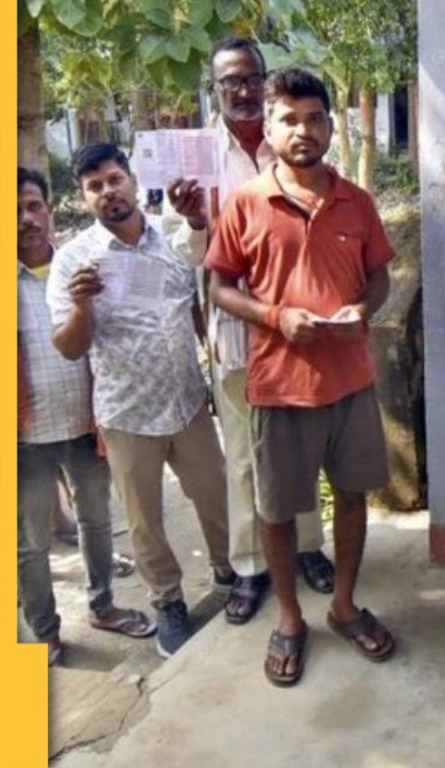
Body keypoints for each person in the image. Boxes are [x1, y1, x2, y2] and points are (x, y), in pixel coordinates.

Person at [205, 68, 397, 686]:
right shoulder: (245, 202)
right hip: (278, 385)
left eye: (315, 118)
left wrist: (361, 310)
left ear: (331, 127)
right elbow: (219, 287)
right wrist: (274, 317)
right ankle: (288, 616)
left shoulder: (357, 202)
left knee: (351, 496)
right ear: (271, 125)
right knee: (279, 511)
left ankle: (343, 604)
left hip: (351, 382)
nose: (303, 130)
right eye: (289, 119)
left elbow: (379, 277)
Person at [166, 36, 335, 625]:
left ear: (266, 81)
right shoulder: (195, 157)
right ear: (213, 90)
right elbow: (181, 254)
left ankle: (310, 548)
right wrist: (193, 222)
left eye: (250, 78)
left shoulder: (291, 137)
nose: (241, 90)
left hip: (298, 330)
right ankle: (249, 566)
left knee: (302, 450)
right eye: (228, 81)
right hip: (237, 335)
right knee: (242, 455)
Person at [46, 145, 232, 658]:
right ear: (85, 199)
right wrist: (83, 305)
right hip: (128, 413)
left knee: (215, 495)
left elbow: (196, 303)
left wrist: (214, 376)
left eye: (114, 179)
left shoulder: (169, 241)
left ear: (131, 181)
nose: (109, 191)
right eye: (95, 186)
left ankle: (229, 572)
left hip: (188, 402)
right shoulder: (73, 261)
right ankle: (168, 601)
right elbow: (68, 347)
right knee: (145, 519)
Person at [18, 168, 156, 666]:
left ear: (50, 208)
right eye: (13, 212)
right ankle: (45, 629)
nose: (25, 220)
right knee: (31, 543)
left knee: (97, 522)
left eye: (33, 206)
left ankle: (103, 606)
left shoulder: (81, 264)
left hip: (87, 424)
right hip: (24, 435)